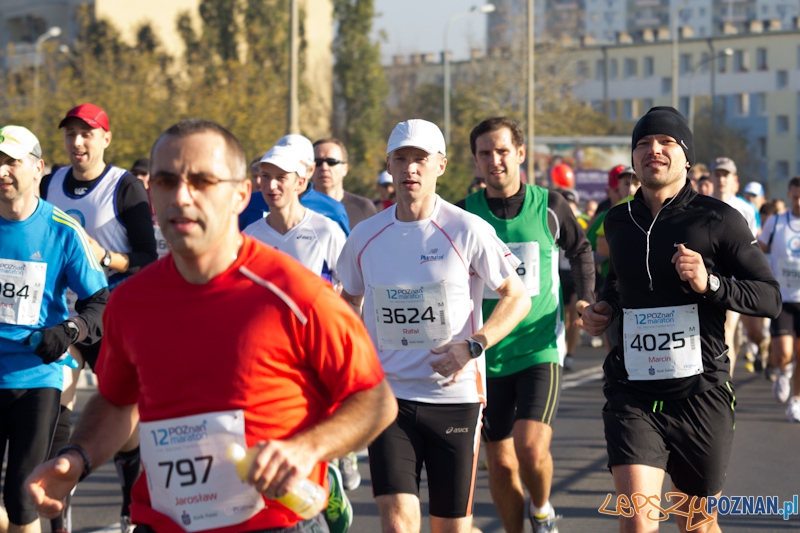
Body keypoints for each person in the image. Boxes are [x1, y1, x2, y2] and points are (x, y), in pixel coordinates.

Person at [26, 118, 397, 533]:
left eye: (202, 181)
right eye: (166, 181)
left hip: (273, 523)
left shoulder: (295, 293)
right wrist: (77, 457)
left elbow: (376, 400)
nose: (182, 197)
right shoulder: (131, 302)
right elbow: (116, 401)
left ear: (241, 194)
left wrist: (305, 449)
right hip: (163, 522)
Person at [581, 107, 781, 533]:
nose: (653, 150)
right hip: (631, 391)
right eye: (642, 144)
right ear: (633, 159)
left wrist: (710, 284)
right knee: (638, 521)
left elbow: (770, 298)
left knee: (696, 524)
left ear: (686, 157)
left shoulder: (717, 218)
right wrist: (604, 309)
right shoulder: (618, 221)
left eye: (666, 142)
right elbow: (618, 284)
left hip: (700, 391)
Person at [337, 119, 531, 533]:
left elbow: (518, 297)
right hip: (388, 399)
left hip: (454, 399)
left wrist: (473, 346)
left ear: (440, 165)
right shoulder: (365, 236)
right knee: (398, 522)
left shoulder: (466, 228)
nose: (410, 169)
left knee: (451, 528)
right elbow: (348, 302)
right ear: (388, 165)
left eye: (420, 160)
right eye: (401, 159)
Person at [460, 117, 595, 533]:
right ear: (476, 161)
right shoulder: (464, 214)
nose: (494, 160)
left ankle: (541, 509)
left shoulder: (549, 205)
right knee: (499, 462)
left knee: (531, 448)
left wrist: (586, 298)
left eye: (502, 151)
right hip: (485, 354)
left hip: (539, 346)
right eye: (485, 153)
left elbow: (582, 248)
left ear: (520, 154)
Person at [40, 103, 158, 532]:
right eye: (71, 134)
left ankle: (130, 502)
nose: (77, 142)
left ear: (105, 138)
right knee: (57, 404)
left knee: (122, 414)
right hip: (64, 315)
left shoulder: (124, 186)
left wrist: (105, 255)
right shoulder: (49, 182)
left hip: (113, 313)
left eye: (87, 134)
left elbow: (147, 258)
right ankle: (59, 514)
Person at [0, 125, 108, 533]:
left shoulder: (62, 229)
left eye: (11, 162)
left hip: (35, 375)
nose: (1, 172)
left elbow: (100, 302)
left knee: (22, 496)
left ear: (38, 168)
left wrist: (69, 331)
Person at [243, 144, 346, 288]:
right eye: (266, 176)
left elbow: (350, 288)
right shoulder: (249, 236)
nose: (271, 185)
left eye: (281, 178)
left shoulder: (326, 230)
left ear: (300, 182)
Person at [239, 134, 350, 234]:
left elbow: (347, 254)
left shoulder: (333, 210)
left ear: (311, 170)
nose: (272, 185)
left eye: (282, 176)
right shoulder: (248, 203)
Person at [709, 157, 759, 377]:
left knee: (728, 329)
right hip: (708, 277)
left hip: (735, 280)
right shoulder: (701, 204)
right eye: (717, 174)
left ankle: (724, 381)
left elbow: (751, 249)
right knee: (720, 331)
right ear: (711, 177)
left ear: (734, 180)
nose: (721, 179)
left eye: (725, 175)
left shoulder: (745, 209)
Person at [759, 177, 800, 419]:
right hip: (782, 298)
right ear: (788, 195)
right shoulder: (776, 222)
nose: (799, 201)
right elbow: (756, 250)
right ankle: (783, 370)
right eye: (795, 196)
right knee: (783, 353)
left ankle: (796, 400)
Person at [312, 138, 377, 229]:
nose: (324, 167)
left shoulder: (364, 208)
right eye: (317, 162)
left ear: (345, 169)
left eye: (332, 162)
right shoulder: (299, 208)